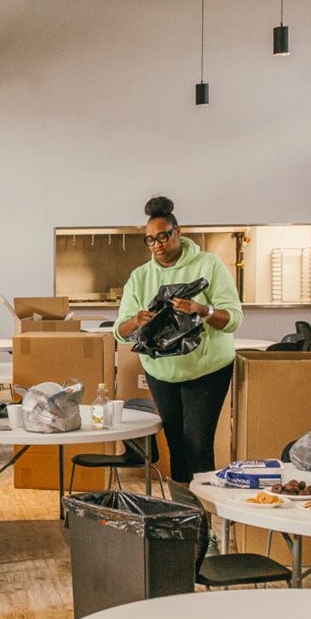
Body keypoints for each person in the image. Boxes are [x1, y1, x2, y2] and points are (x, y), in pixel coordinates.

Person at [113, 196, 243, 483]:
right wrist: (137, 320)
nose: (158, 244)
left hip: (207, 370)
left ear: (178, 232)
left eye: (163, 236)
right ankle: (183, 516)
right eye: (150, 240)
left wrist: (202, 310)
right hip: (162, 373)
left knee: (198, 445)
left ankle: (202, 520)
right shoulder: (140, 276)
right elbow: (119, 329)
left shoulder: (209, 265)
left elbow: (233, 318)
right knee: (176, 446)